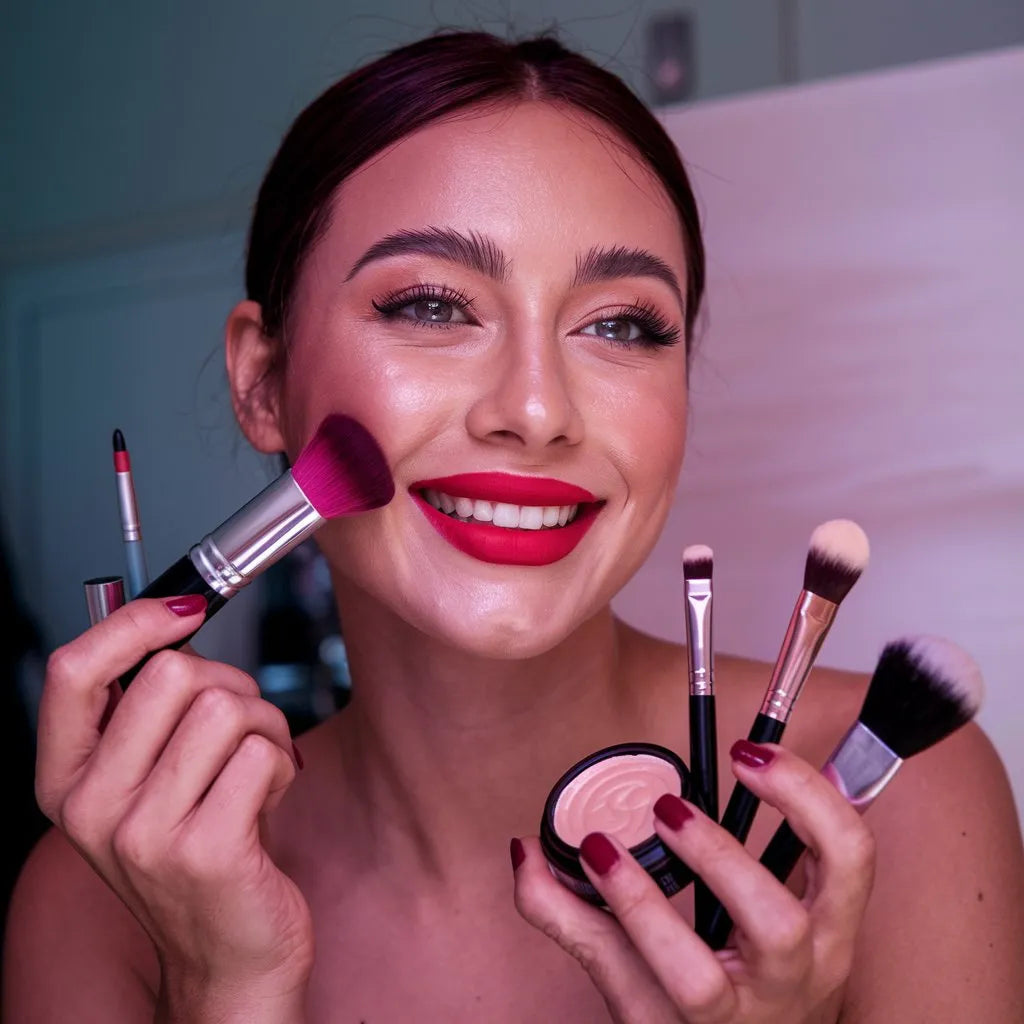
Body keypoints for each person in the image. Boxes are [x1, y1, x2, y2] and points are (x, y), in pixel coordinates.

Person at [4, 31, 1022, 1023]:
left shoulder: (892, 788)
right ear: (263, 381)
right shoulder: (103, 895)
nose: (536, 410)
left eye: (621, 324)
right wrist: (230, 987)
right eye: (432, 307)